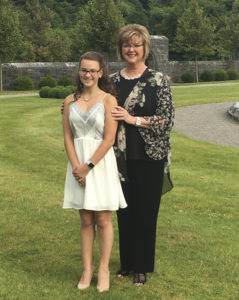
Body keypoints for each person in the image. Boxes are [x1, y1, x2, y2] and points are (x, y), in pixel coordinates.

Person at [111, 24, 174, 286]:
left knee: (146, 213)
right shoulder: (112, 81)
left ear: (145, 48)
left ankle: (141, 266)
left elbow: (166, 120)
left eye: (136, 45)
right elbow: (92, 103)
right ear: (121, 48)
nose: (131, 49)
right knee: (124, 210)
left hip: (150, 156)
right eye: (127, 44)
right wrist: (70, 104)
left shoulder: (158, 80)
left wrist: (132, 119)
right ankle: (126, 263)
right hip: (118, 157)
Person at [62, 51, 127, 292]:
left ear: (101, 72)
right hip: (77, 165)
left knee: (103, 218)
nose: (87, 74)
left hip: (99, 165)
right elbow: (68, 137)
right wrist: (76, 167)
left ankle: (103, 269)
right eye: (83, 70)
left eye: (92, 70)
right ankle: (87, 269)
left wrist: (88, 167)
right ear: (79, 71)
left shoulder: (109, 100)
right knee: (86, 218)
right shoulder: (69, 100)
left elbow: (109, 139)